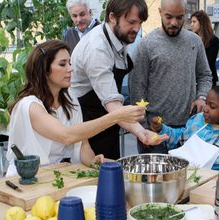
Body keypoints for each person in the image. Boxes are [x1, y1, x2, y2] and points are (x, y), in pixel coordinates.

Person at [5, 40, 147, 177]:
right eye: (62, 64)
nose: (70, 68)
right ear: (44, 70)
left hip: (52, 176)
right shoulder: (29, 105)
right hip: (22, 180)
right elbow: (66, 136)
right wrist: (116, 116)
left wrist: (92, 161)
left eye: (70, 63)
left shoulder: (70, 100)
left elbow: (82, 144)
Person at [69, 0, 167, 160]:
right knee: (95, 178)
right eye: (131, 22)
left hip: (108, 120)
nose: (137, 28)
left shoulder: (117, 35)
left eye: (140, 22)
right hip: (87, 123)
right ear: (112, 17)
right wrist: (140, 131)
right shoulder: (97, 49)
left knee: (112, 173)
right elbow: (112, 104)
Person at [129, 0, 212, 154]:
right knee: (156, 177)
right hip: (155, 129)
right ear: (160, 12)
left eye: (179, 17)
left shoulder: (195, 41)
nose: (174, 22)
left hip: (190, 128)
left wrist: (202, 97)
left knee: (190, 176)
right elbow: (137, 87)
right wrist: (143, 126)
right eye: (169, 17)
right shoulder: (146, 45)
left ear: (185, 13)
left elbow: (205, 75)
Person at [150, 84, 219, 170]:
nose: (205, 109)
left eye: (212, 106)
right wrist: (161, 129)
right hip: (183, 171)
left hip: (210, 180)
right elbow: (180, 136)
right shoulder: (198, 119)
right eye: (206, 103)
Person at [191, 10, 219, 87]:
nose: (191, 25)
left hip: (208, 81)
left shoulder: (213, 40)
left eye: (194, 22)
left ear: (202, 22)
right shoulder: (192, 39)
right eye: (191, 22)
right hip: (194, 80)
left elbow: (208, 61)